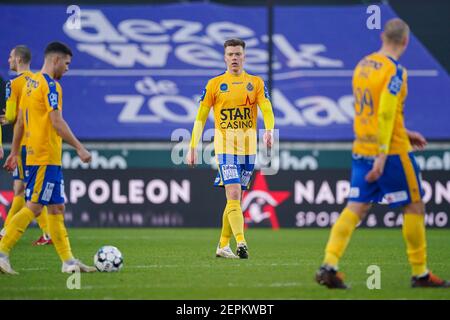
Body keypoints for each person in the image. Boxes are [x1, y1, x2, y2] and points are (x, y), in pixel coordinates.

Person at [315, 18, 449, 289]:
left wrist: (405, 131)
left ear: (381, 37)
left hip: (361, 148)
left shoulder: (363, 64)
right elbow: (386, 114)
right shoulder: (395, 71)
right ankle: (421, 273)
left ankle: (330, 264)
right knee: (414, 205)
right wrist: (382, 156)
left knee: (355, 207)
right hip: (390, 153)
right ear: (406, 42)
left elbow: (373, 112)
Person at [0, 41, 95, 274]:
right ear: (56, 60)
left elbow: (20, 122)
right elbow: (57, 122)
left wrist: (14, 151)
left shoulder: (30, 84)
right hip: (44, 156)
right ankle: (2, 251)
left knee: (56, 208)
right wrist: (80, 148)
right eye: (67, 63)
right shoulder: (50, 86)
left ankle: (68, 262)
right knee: (32, 206)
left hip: (39, 156)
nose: (68, 68)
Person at [186, 38, 275, 259]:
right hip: (225, 149)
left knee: (234, 199)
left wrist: (270, 130)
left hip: (248, 150)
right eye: (230, 54)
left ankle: (223, 245)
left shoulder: (255, 83)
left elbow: (266, 107)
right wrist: (192, 146)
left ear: (244, 56)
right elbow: (201, 117)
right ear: (224, 57)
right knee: (234, 193)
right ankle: (242, 243)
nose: (234, 57)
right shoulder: (214, 84)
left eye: (238, 54)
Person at [0, 45, 52, 246]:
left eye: (11, 57)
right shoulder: (38, 80)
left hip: (22, 143)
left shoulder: (13, 84)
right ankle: (7, 230)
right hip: (38, 140)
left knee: (25, 190)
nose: (8, 60)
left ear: (19, 60)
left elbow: (12, 116)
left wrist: (5, 119)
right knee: (20, 187)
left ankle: (10, 231)